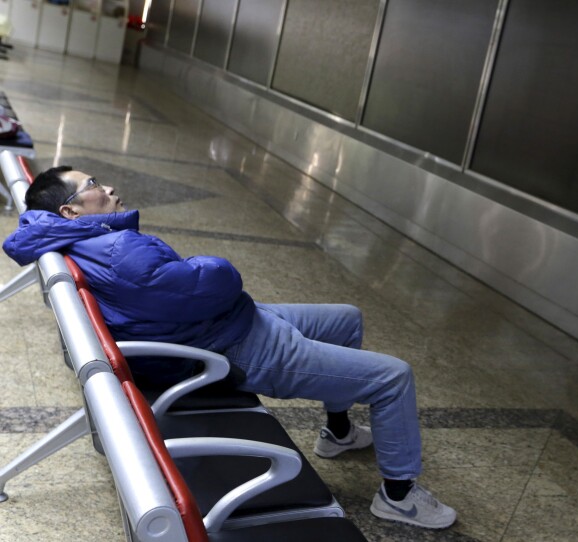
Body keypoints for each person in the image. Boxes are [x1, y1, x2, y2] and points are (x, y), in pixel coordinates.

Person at [3, 166, 456, 530]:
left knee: (346, 318)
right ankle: (398, 499)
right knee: (393, 376)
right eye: (93, 185)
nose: (109, 187)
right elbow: (211, 283)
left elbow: (182, 291)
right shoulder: (117, 250)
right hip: (238, 345)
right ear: (69, 210)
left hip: (232, 323)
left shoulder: (82, 241)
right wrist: (215, 263)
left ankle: (337, 432)